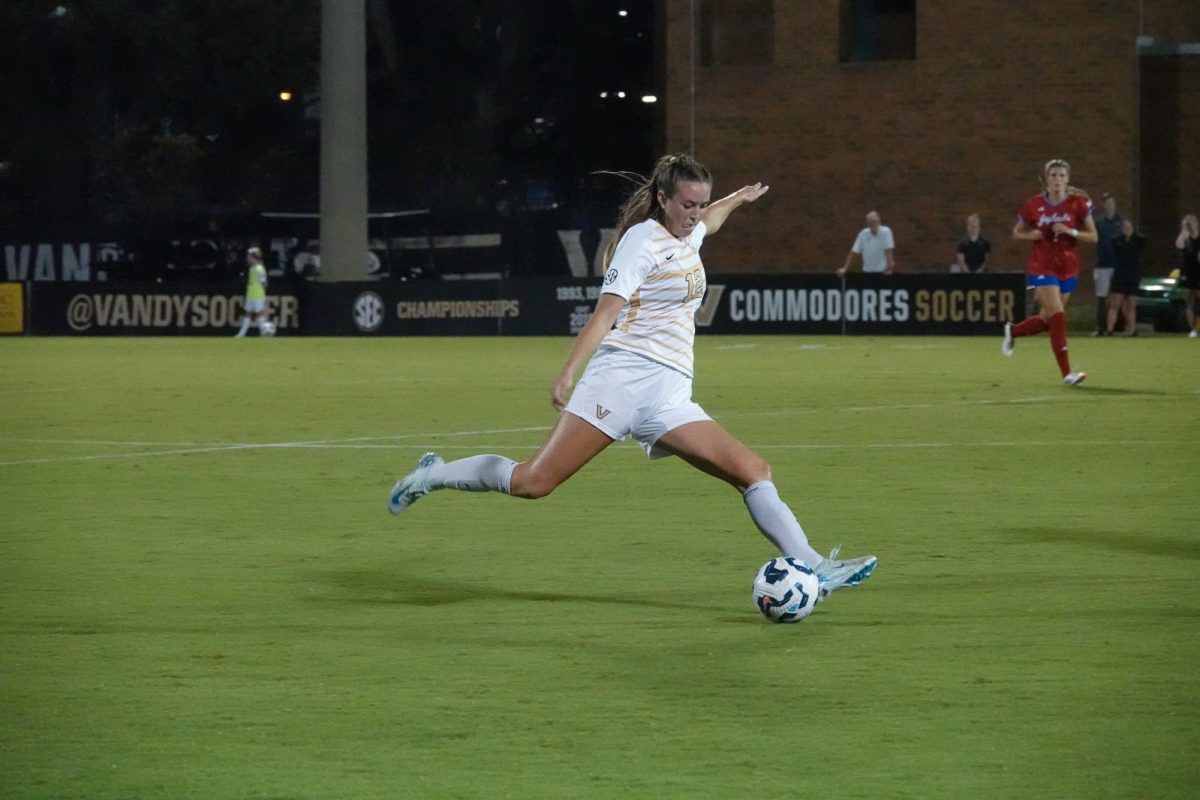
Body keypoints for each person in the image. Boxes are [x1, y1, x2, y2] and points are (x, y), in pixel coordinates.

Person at [386, 153, 877, 600]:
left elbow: (711, 222)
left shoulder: (690, 233)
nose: (694, 212)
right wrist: (566, 374)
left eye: (700, 203)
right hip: (619, 382)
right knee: (533, 482)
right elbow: (603, 315)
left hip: (668, 395)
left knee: (754, 471)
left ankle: (814, 566)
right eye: (687, 204)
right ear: (662, 200)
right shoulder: (642, 242)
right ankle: (432, 474)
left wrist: (735, 200)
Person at [1001, 158, 1098, 385]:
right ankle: (1067, 373)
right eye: (1053, 175)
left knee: (1047, 320)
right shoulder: (1034, 204)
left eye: (1062, 176)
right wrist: (1030, 236)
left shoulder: (1078, 203)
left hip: (1067, 266)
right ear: (1047, 179)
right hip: (1042, 265)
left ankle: (1013, 331)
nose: (1057, 180)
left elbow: (1094, 237)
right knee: (1057, 314)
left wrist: (1070, 231)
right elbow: (1017, 232)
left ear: (1068, 179)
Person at [1091, 193, 1123, 335]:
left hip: (1118, 265)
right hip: (1103, 265)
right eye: (1107, 203)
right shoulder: (1098, 223)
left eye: (1112, 203)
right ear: (1103, 205)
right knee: (1101, 297)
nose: (1109, 206)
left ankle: (1117, 327)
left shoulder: (1121, 222)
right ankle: (1100, 328)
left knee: (1118, 297)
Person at [1106, 219, 1144, 337]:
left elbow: (1142, 239)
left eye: (1130, 228)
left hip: (1133, 276)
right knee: (1115, 304)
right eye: (1126, 228)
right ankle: (1110, 330)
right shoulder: (1116, 241)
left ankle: (1132, 330)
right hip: (1120, 276)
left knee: (1132, 305)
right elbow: (1113, 244)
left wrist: (1132, 234)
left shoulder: (1137, 241)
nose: (1128, 230)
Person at [837, 210, 895, 275]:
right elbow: (854, 252)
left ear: (879, 221)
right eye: (870, 222)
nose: (873, 224)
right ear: (867, 224)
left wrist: (890, 267)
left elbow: (888, 250)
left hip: (882, 272)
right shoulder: (863, 234)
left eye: (874, 222)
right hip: (867, 272)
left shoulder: (886, 232)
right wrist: (845, 268)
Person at [235, 246, 269, 337]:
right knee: (248, 314)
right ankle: (241, 334)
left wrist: (262, 295)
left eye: (249, 256)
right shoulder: (252, 268)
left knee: (259, 315)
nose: (247, 258)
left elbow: (264, 284)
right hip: (251, 295)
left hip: (257, 295)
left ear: (253, 257)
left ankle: (266, 333)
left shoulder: (259, 269)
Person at [1176, 214, 1200, 337]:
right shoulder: (1185, 238)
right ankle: (1193, 329)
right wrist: (1183, 232)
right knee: (1189, 301)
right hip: (1188, 272)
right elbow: (1179, 245)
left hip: (1199, 271)